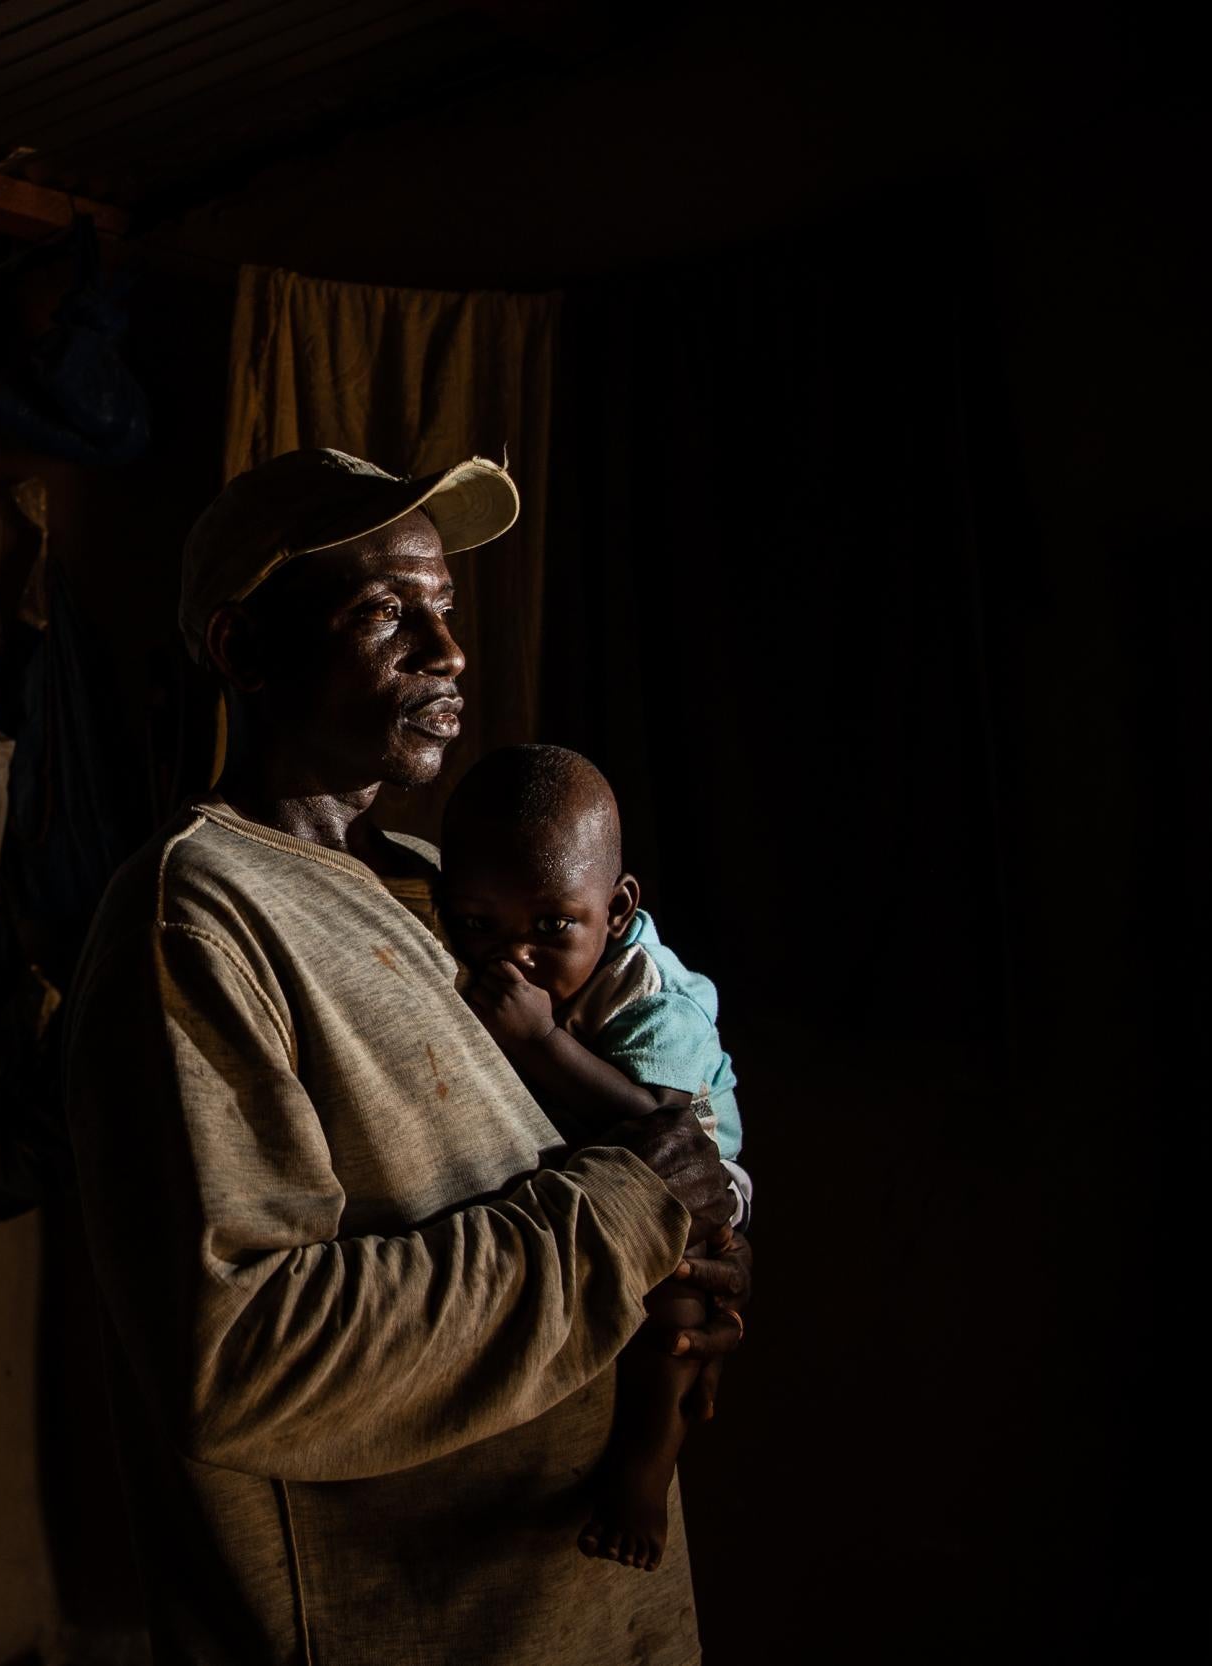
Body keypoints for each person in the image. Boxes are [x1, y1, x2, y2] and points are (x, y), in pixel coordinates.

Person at [61, 448, 750, 1664]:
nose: (448, 651)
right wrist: (628, 1213)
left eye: (444, 608)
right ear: (241, 649)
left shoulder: (447, 885)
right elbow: (240, 1356)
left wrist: (686, 1247)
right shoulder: (200, 914)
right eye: (386, 611)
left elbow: (624, 1166)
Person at [438, 742, 750, 1575]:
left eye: (551, 927)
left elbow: (666, 1137)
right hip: (602, 1148)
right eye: (476, 924)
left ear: (616, 910)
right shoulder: (515, 961)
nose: (513, 958)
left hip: (705, 1171)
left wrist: (536, 1038)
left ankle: (646, 1470)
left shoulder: (654, 1000)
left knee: (677, 1302)